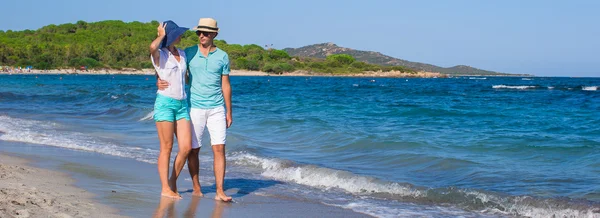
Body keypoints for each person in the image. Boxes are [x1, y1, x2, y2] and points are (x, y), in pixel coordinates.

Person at [158, 18, 233, 202]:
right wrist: (158, 81)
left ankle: (220, 191)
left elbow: (226, 84)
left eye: (206, 33)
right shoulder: (188, 53)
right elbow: (168, 67)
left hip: (217, 108)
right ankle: (196, 187)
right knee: (193, 150)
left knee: (219, 149)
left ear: (215, 34)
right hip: (194, 107)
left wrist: (229, 111)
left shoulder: (223, 56)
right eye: (199, 32)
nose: (202, 36)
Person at [150, 20, 192, 199]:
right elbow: (152, 48)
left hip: (182, 104)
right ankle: (165, 188)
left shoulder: (182, 54)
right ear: (170, 36)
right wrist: (160, 35)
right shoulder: (160, 54)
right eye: (177, 33)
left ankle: (173, 180)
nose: (181, 36)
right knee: (166, 147)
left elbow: (185, 78)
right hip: (165, 103)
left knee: (186, 147)